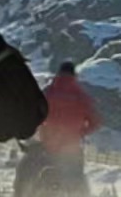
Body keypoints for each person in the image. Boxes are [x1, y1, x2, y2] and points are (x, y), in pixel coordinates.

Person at [23, 62, 102, 196]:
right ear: (74, 76)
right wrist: (80, 132)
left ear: (58, 74)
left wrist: (43, 129)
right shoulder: (82, 96)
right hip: (71, 150)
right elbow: (96, 122)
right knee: (77, 181)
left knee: (30, 174)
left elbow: (33, 115)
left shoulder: (47, 93)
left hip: (46, 147)